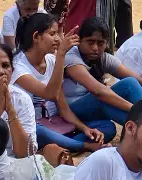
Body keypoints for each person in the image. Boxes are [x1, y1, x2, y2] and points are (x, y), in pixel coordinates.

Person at [11, 13, 106, 154]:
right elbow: (49, 94)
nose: (58, 38)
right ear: (36, 37)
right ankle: (82, 146)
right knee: (38, 132)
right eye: (52, 33)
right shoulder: (18, 68)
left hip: (56, 122)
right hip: (35, 126)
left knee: (106, 127)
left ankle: (63, 145)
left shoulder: (50, 60)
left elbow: (62, 106)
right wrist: (61, 54)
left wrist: (85, 128)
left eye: (58, 33)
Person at [59, 18, 142, 135]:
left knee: (109, 129)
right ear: (79, 40)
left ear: (106, 42)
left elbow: (139, 81)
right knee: (109, 97)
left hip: (87, 112)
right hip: (68, 111)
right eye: (90, 42)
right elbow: (97, 91)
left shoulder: (103, 58)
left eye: (100, 43)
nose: (95, 48)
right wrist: (137, 109)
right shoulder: (71, 57)